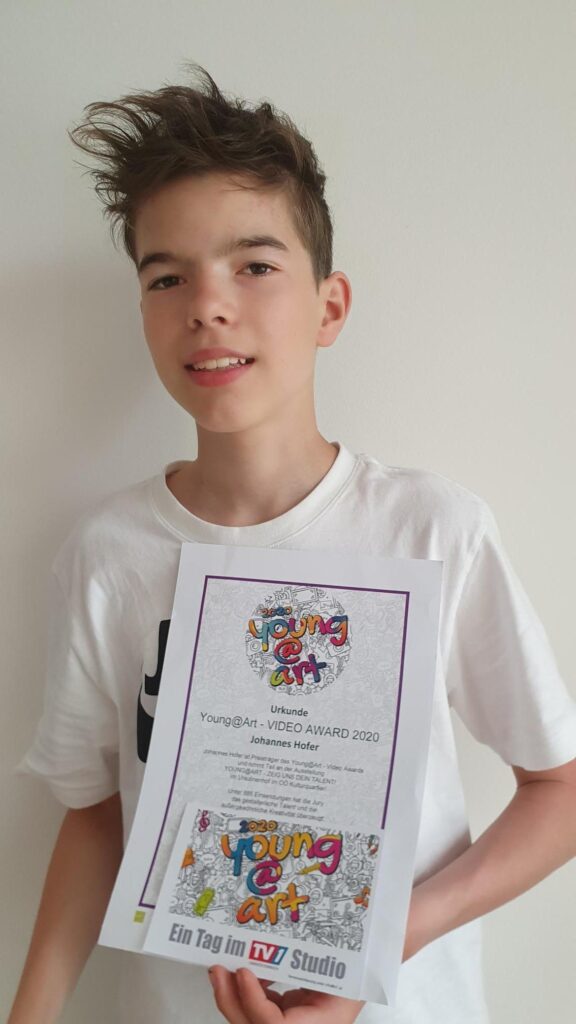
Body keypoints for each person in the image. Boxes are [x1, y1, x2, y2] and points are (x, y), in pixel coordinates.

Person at [9, 61, 576, 1024]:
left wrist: (389, 935)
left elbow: (558, 786)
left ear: (330, 306)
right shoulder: (108, 554)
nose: (207, 304)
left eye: (255, 265)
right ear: (143, 312)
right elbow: (95, 815)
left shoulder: (430, 529)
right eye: (167, 277)